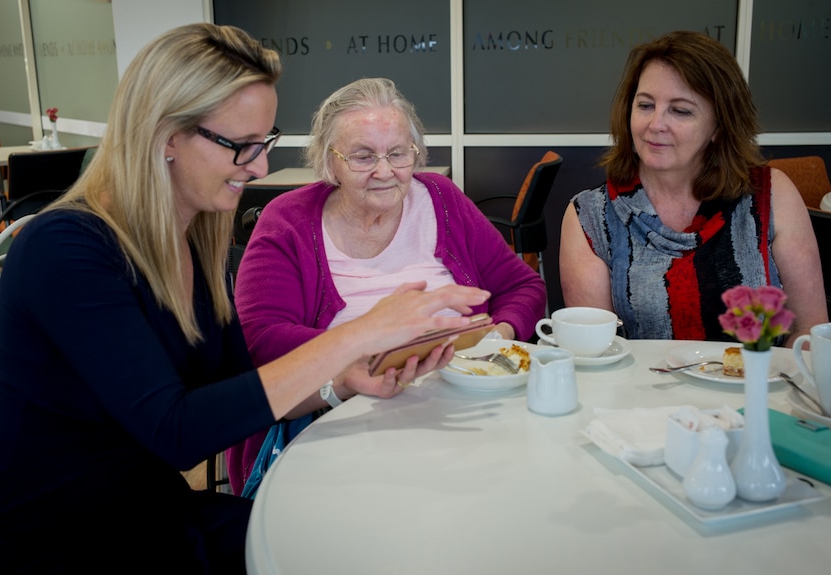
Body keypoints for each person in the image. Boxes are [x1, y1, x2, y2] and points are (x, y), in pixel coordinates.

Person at [0, 24, 492, 573]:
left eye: (263, 142)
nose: (261, 166)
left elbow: (234, 387)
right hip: (47, 542)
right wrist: (360, 335)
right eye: (241, 145)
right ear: (166, 135)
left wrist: (341, 384)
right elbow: (177, 432)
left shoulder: (189, 239)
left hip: (145, 515)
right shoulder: (66, 249)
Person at [228, 77, 547, 495]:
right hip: (340, 422)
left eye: (398, 153)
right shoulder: (287, 220)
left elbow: (523, 286)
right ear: (330, 162)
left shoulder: (440, 199)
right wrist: (374, 346)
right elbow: (261, 341)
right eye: (362, 156)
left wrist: (494, 338)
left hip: (460, 409)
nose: (384, 171)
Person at [559, 30, 827, 345]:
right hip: (640, 393)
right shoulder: (591, 217)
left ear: (718, 126)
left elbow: (811, 333)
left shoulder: (770, 195)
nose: (655, 124)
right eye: (645, 105)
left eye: (681, 110)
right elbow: (595, 355)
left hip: (760, 389)